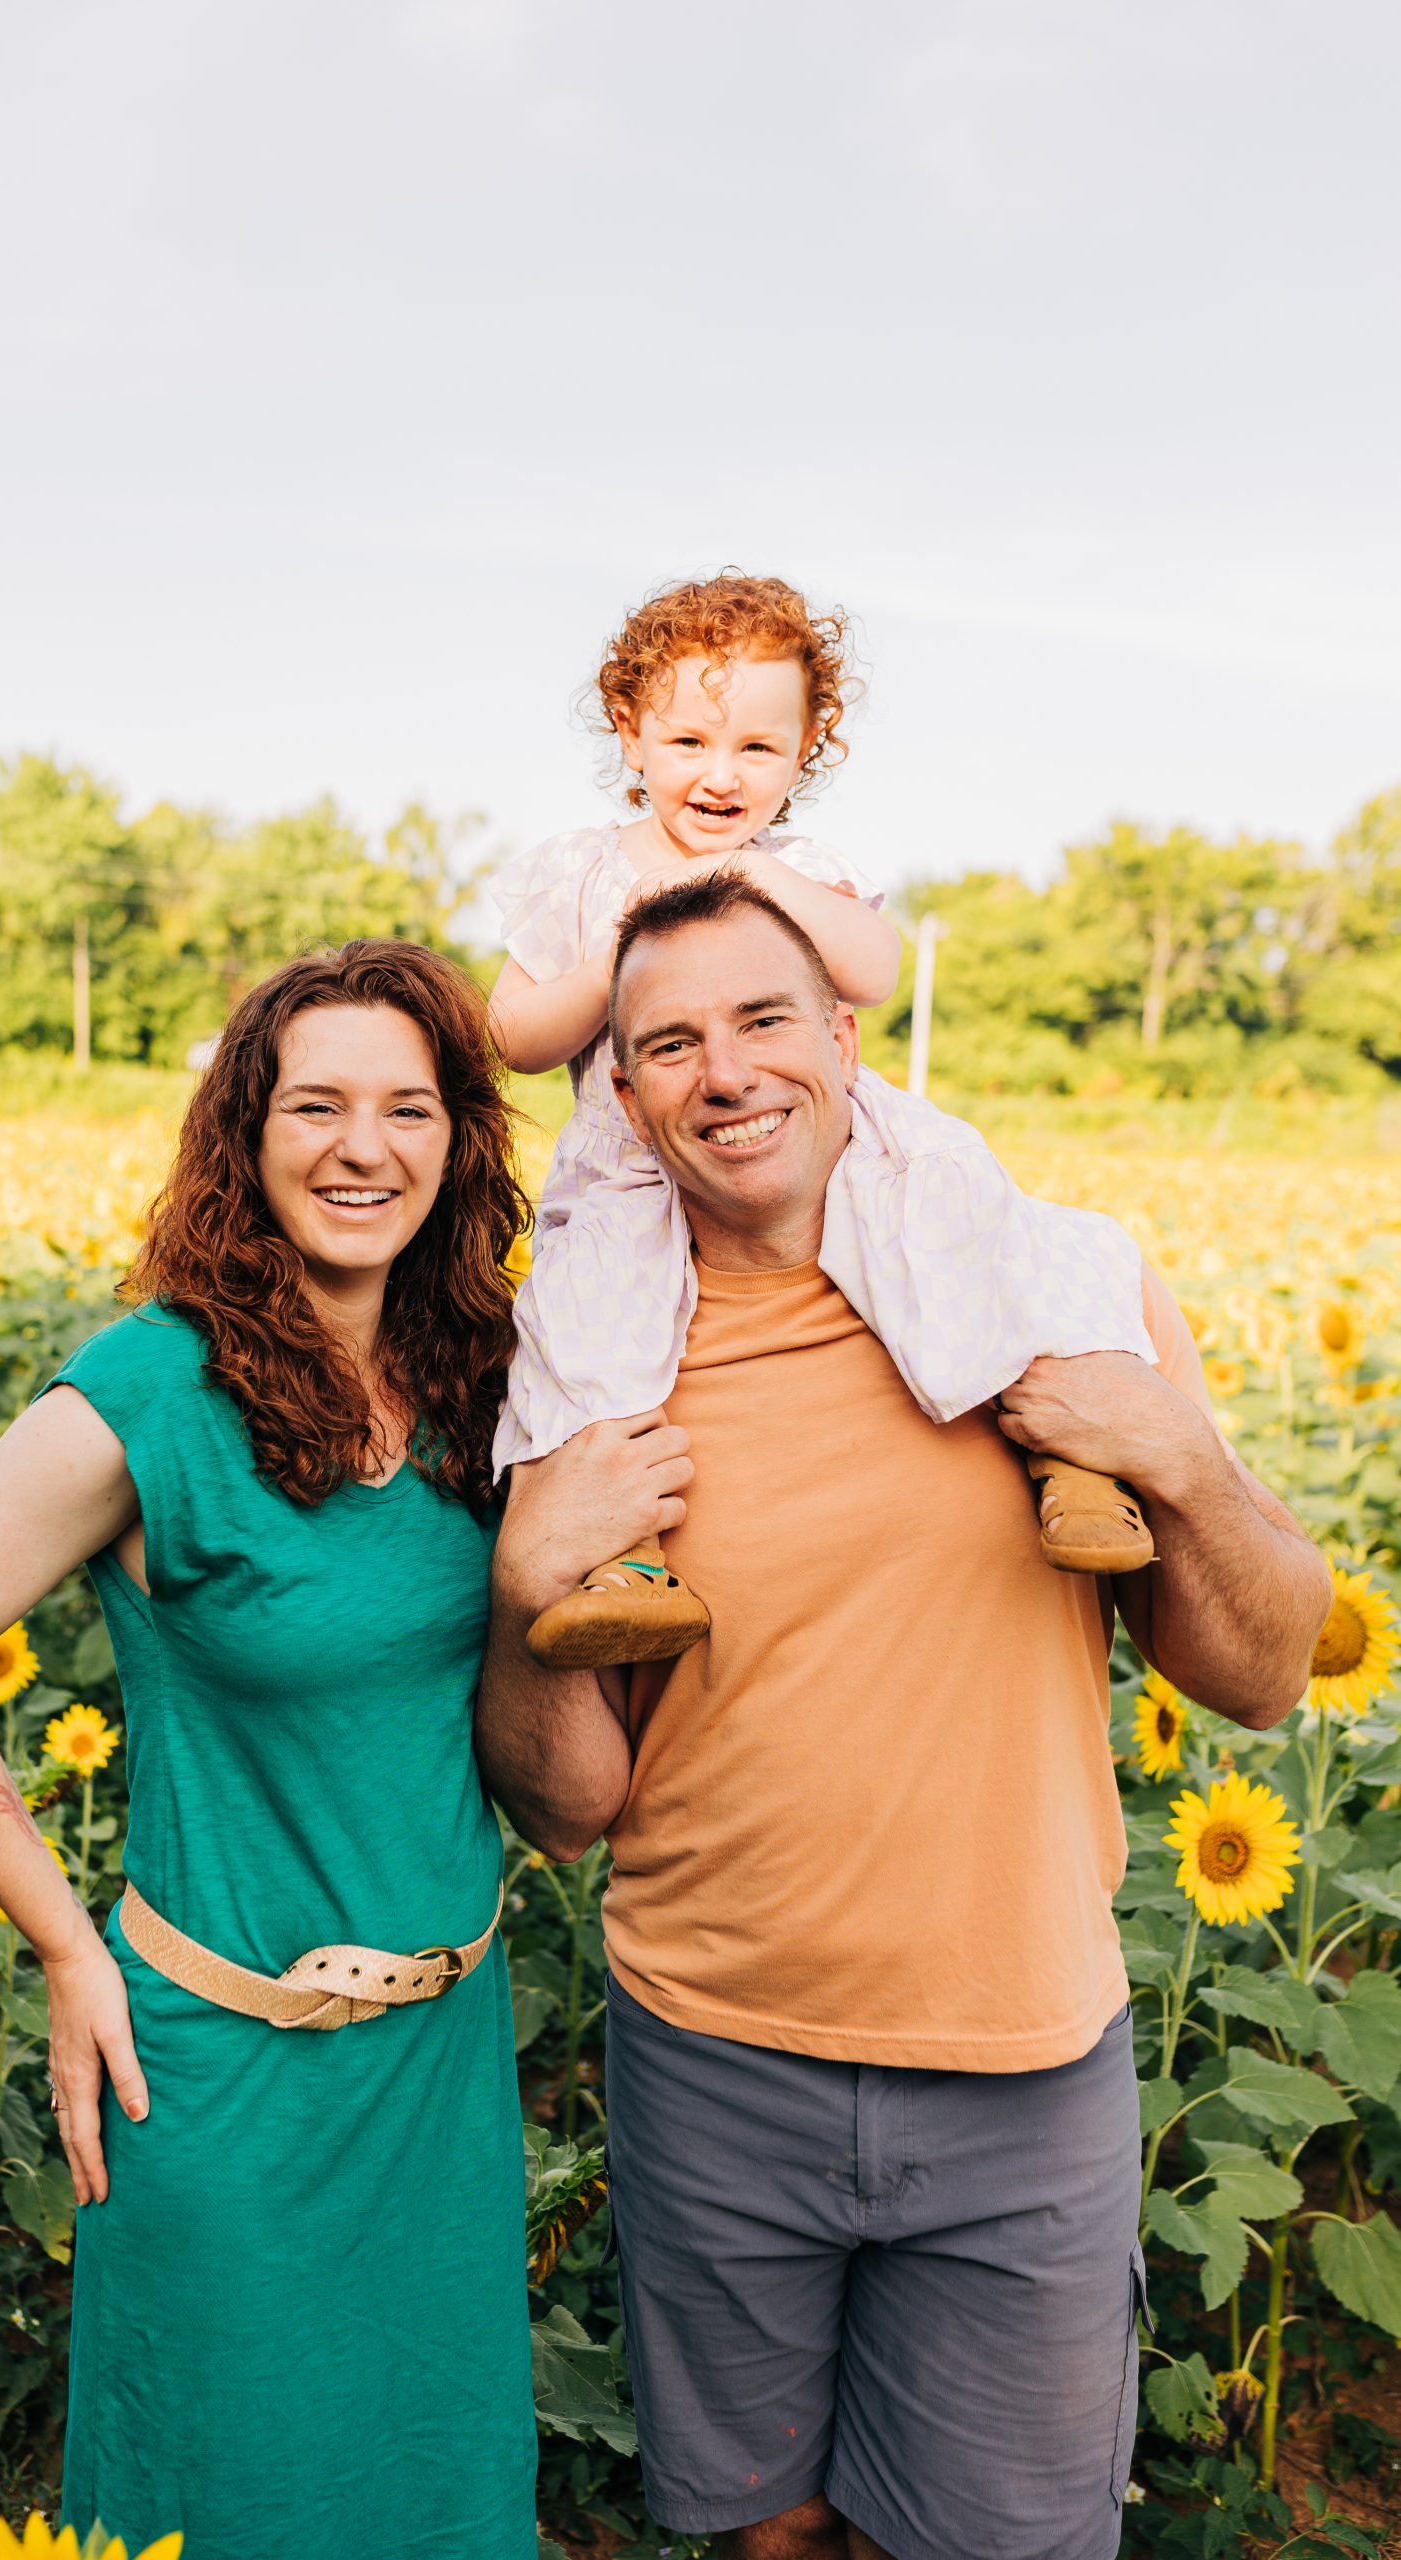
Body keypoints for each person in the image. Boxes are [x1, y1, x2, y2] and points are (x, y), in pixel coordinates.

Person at [477, 870, 1331, 2560]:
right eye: (667, 1045)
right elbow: (566, 1800)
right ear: (623, 1097)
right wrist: (525, 1605)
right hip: (711, 2057)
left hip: (1018, 2063)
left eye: (761, 1020)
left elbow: (1259, 1671)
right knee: (765, 2534)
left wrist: (1174, 1460)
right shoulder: (597, 1366)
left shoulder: (1051, 1299)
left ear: (846, 1036)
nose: (723, 1073)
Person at [0, 943, 540, 2560]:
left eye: (406, 1109)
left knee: (435, 2493)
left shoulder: (476, 1375)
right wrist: (66, 1946)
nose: (362, 1148)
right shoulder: (157, 1383)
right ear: (247, 1131)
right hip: (223, 2070)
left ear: (458, 1144)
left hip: (438, 2066)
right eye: (315, 1105)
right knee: (234, 2495)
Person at [487, 571, 1163, 1673]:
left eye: (758, 748)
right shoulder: (584, 875)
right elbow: (514, 1033)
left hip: (824, 1144)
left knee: (977, 1219)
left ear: (805, 752)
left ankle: (1073, 1455)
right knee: (581, 1315)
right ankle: (629, 1558)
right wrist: (628, 944)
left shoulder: (797, 870)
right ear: (630, 731)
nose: (721, 774)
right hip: (634, 1155)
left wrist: (752, 878)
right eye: (690, 740)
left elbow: (875, 966)